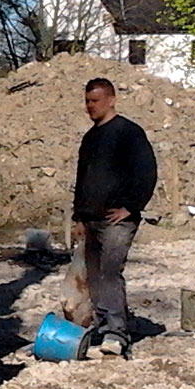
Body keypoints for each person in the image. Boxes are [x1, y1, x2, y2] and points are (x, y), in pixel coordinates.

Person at [70, 77, 156, 358]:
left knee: (110, 273)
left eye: (94, 101)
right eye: (86, 101)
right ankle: (102, 324)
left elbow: (146, 174)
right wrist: (79, 216)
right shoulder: (91, 137)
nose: (89, 107)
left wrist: (130, 207)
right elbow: (82, 179)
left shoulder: (129, 134)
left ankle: (116, 333)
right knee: (94, 276)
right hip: (92, 219)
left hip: (117, 221)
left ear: (111, 100)